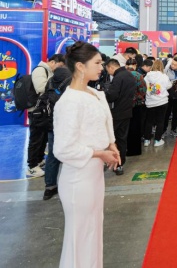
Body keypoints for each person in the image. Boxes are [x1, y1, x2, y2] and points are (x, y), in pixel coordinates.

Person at [53, 42, 120, 268]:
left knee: (93, 229)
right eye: (97, 63)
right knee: (79, 235)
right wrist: (100, 153)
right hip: (78, 177)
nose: (102, 67)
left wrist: (111, 143)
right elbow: (63, 149)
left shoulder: (95, 93)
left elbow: (105, 122)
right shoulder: (69, 102)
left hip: (94, 174)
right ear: (80, 66)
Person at [27, 53, 66, 177]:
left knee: (43, 138)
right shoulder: (40, 70)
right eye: (60, 66)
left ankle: (39, 160)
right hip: (37, 110)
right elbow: (40, 88)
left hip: (44, 110)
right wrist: (55, 83)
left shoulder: (49, 72)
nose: (60, 69)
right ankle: (32, 166)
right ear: (53, 62)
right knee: (36, 139)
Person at [40, 66, 71, 200]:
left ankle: (50, 187)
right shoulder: (71, 82)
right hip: (68, 125)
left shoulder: (50, 82)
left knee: (53, 156)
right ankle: (69, 186)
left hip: (52, 124)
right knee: (71, 156)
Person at [104, 59, 137, 175]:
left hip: (116, 113)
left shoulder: (118, 77)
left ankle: (110, 161)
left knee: (111, 139)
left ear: (111, 67)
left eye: (107, 70)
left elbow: (112, 96)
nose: (108, 73)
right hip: (127, 111)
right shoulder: (130, 75)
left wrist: (104, 93)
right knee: (122, 139)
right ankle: (119, 164)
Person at [143, 60, 172, 147]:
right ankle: (157, 140)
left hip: (150, 102)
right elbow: (169, 85)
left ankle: (146, 140)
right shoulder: (164, 76)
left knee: (149, 121)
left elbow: (144, 86)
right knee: (160, 121)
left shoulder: (147, 76)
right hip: (162, 101)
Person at [125, 58, 147, 157]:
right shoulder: (139, 75)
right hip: (137, 105)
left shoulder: (123, 75)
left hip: (125, 105)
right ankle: (135, 150)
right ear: (135, 65)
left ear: (126, 65)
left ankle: (126, 148)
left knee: (126, 128)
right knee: (136, 127)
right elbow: (143, 90)